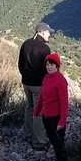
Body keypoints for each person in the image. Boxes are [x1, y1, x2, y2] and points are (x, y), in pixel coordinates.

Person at [18, 22, 54, 151]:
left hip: (26, 82)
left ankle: (27, 134)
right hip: (38, 85)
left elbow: (20, 64)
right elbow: (47, 69)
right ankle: (39, 142)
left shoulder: (25, 44)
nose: (50, 34)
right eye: (49, 32)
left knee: (29, 107)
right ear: (43, 32)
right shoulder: (44, 48)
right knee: (39, 112)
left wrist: (25, 76)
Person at [34, 52, 71, 161]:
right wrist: (37, 110)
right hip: (46, 116)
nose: (49, 67)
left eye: (52, 65)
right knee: (53, 140)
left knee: (59, 143)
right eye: (48, 64)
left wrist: (62, 121)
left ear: (57, 66)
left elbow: (64, 103)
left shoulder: (61, 81)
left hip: (56, 118)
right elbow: (42, 97)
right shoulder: (46, 78)